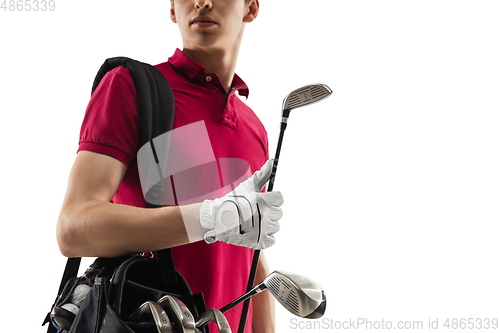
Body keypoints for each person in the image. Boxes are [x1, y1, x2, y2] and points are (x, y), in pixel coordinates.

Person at [56, 0, 283, 332]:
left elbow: (252, 259)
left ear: (250, 8)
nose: (202, 2)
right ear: (173, 9)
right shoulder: (130, 87)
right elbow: (73, 226)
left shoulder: (254, 128)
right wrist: (208, 218)